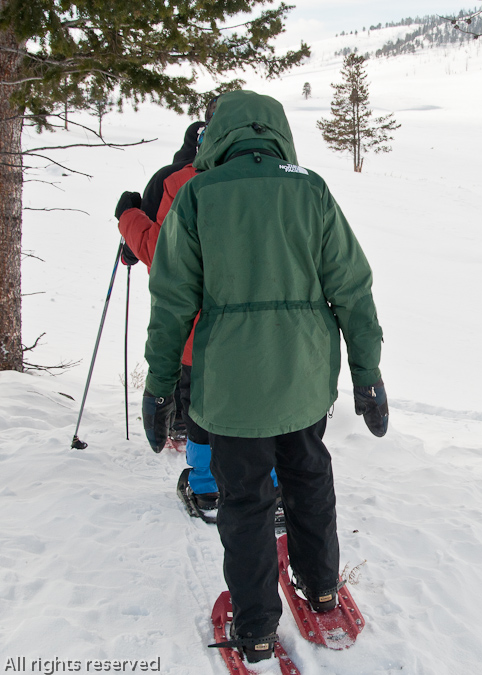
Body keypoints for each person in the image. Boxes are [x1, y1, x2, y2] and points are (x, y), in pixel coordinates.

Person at [140, 90, 387, 664]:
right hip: (303, 381)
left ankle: (254, 628)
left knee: (245, 500)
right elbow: (352, 288)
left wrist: (157, 388)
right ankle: (322, 587)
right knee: (307, 475)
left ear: (216, 135)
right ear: (275, 131)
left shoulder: (198, 196)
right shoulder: (311, 189)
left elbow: (171, 302)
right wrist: (367, 375)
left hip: (230, 388)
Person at [115, 113, 219, 515]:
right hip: (265, 330)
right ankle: (273, 489)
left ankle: (207, 486)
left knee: (199, 404)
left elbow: (162, 253)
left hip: (194, 324)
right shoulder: (278, 177)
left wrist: (128, 219)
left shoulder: (176, 180)